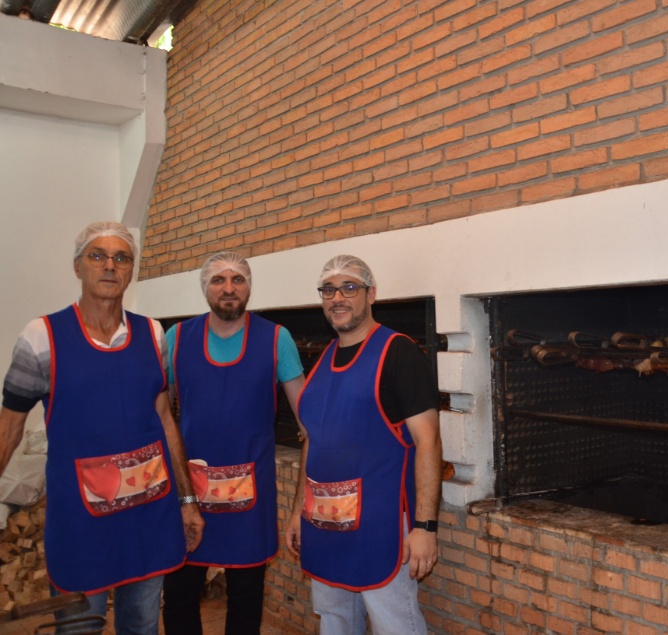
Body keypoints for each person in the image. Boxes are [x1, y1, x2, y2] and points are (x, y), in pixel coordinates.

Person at [0, 221, 204, 635]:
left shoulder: (153, 333)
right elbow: (9, 428)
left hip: (149, 516)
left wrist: (187, 499)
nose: (110, 266)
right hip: (81, 524)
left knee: (142, 623)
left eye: (121, 258)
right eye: (97, 256)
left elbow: (164, 419)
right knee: (78, 626)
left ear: (131, 270)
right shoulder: (41, 337)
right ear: (78, 267)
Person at [285, 255, 441, 635]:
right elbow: (313, 441)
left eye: (349, 287)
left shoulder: (398, 353)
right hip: (324, 522)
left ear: (371, 294)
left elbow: (429, 442)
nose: (337, 297)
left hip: (381, 526)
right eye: (329, 289)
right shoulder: (323, 359)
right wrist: (297, 512)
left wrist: (424, 526)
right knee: (335, 621)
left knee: (395, 624)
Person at [161, 252, 306, 635]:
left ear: (249, 287)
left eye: (237, 279)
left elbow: (308, 417)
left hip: (250, 498)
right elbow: (158, 414)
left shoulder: (277, 339)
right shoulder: (177, 339)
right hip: (190, 493)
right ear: (205, 288)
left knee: (245, 599)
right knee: (179, 595)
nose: (228, 288)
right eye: (218, 280)